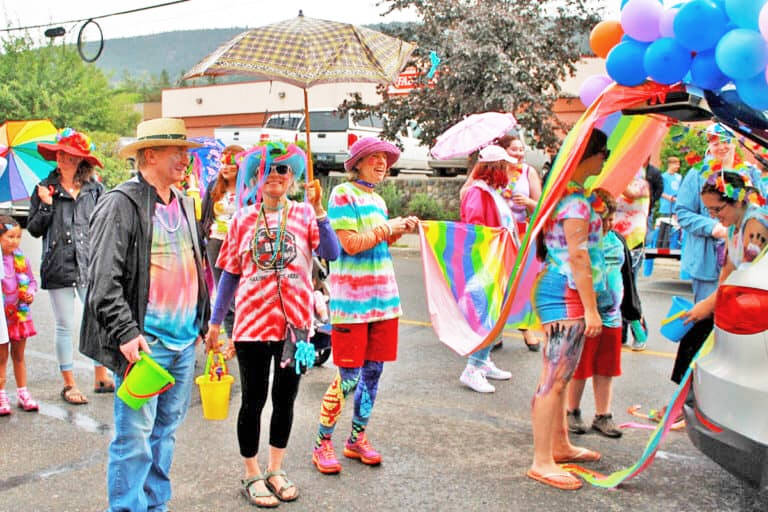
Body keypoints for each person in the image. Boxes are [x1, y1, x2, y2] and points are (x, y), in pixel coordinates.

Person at [80, 118, 210, 512]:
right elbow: (102, 280)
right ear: (149, 155)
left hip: (184, 341)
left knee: (165, 435)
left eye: (187, 152)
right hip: (145, 346)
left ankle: (156, 506)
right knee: (134, 439)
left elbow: (197, 266)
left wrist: (203, 322)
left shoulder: (185, 202)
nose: (186, 159)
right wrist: (125, 331)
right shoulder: (121, 203)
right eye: (178, 152)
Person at [205, 143, 340, 507]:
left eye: (283, 169)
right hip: (251, 325)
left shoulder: (305, 215)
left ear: (293, 177)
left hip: (295, 327)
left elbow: (331, 252)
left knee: (285, 400)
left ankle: (276, 469)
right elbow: (230, 273)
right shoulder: (242, 219)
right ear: (256, 178)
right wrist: (217, 322)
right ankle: (251, 472)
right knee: (253, 400)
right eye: (269, 169)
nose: (276, 175)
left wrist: (321, 212)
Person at [312, 137, 418, 475]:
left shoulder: (377, 200)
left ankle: (356, 438)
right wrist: (388, 228)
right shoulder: (343, 195)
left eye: (385, 159)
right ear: (356, 162)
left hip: (384, 301)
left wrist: (396, 231)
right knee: (348, 378)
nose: (381, 163)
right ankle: (322, 443)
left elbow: (377, 243)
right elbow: (350, 245)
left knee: (373, 375)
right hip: (353, 304)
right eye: (374, 158)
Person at [527, 128, 610, 491]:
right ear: (586, 157)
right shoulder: (574, 202)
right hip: (564, 292)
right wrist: (591, 310)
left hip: (561, 289)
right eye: (602, 152)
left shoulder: (571, 197)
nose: (605, 159)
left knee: (559, 377)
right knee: (554, 378)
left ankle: (558, 445)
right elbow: (578, 257)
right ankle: (541, 460)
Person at [29, 128, 109, 404]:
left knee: (98, 319)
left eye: (72, 156)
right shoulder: (44, 187)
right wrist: (46, 205)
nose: (65, 160)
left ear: (82, 161)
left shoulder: (95, 189)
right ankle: (69, 384)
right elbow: (35, 229)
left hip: (90, 263)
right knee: (64, 325)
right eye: (62, 154)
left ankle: (101, 375)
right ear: (56, 156)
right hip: (59, 264)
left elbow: (105, 225)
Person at [461, 132, 543, 351]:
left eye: (521, 149)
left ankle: (516, 332)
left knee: (518, 284)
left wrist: (526, 202)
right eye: (513, 151)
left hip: (516, 237)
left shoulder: (525, 174)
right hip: (493, 246)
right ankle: (483, 350)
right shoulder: (481, 190)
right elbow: (475, 220)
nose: (518, 155)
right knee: (492, 292)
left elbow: (541, 205)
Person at [565, 190, 624, 438]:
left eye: (611, 218)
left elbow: (626, 278)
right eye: (602, 219)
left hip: (612, 316)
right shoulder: (582, 244)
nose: (608, 224)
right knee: (580, 366)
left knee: (606, 368)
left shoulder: (617, 241)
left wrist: (633, 311)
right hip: (587, 315)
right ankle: (572, 410)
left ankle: (603, 415)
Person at [457, 145, 515, 393]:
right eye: (506, 166)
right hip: (485, 263)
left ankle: (484, 360)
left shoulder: (490, 191)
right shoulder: (477, 192)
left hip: (497, 261)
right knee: (486, 315)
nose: (511, 170)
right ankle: (472, 368)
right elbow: (475, 229)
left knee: (495, 313)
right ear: (496, 168)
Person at [200, 144, 244, 343]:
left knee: (241, 291)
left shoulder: (249, 190)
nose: (226, 168)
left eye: (231, 164)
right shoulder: (213, 187)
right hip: (216, 243)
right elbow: (204, 217)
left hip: (240, 245)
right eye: (223, 163)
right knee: (223, 292)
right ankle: (233, 339)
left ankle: (242, 335)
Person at [0, 217, 37, 415]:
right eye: (9, 237)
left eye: (18, 237)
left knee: (19, 356)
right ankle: (1, 394)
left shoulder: (21, 258)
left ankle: (23, 392)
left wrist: (30, 292)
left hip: (20, 316)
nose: (14, 241)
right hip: (2, 318)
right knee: (1, 358)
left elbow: (31, 281)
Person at [613, 170, 650, 350]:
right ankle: (620, 335)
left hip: (633, 244)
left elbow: (631, 193)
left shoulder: (641, 184)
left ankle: (639, 331)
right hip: (612, 242)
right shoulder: (614, 181)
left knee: (629, 290)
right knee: (615, 289)